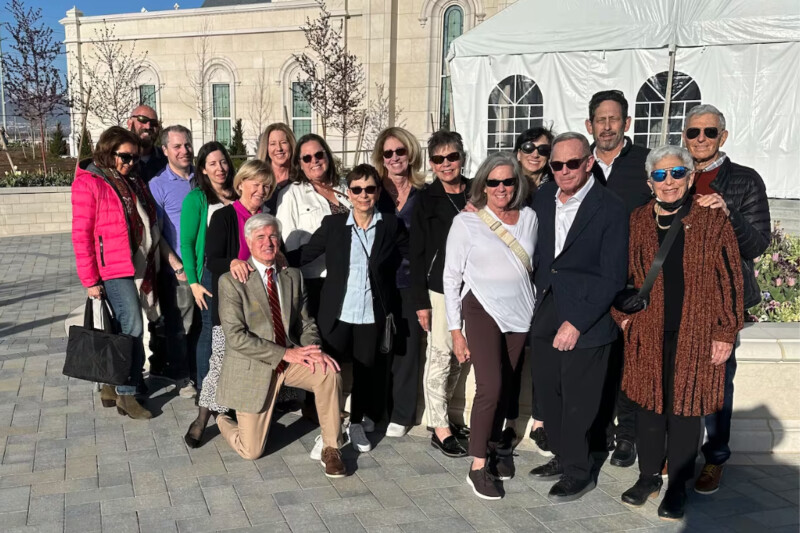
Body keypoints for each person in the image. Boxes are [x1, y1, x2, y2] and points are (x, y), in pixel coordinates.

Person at [613, 145, 744, 520]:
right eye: (659, 175)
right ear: (649, 180)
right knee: (650, 407)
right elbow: (622, 274)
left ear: (689, 177)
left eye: (676, 173)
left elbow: (730, 279)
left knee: (686, 411)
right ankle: (649, 476)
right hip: (648, 330)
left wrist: (725, 332)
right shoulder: (638, 219)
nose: (668, 182)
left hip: (696, 332)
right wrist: (621, 316)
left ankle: (678, 486)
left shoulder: (710, 218)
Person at [528, 132, 628, 502]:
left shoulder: (610, 207)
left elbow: (613, 275)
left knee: (578, 401)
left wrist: (579, 321)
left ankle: (579, 471)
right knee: (549, 394)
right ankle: (562, 456)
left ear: (589, 162)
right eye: (557, 164)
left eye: (573, 163)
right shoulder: (542, 198)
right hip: (547, 309)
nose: (565, 170)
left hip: (586, 316)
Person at [214, 214, 347, 477]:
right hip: (255, 365)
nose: (268, 242)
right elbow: (236, 337)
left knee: (328, 372)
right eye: (261, 237)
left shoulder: (292, 277)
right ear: (249, 241)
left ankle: (332, 447)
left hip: (291, 361)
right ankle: (222, 419)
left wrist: (314, 350)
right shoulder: (231, 282)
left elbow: (306, 324)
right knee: (251, 451)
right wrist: (286, 353)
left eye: (273, 236)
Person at [682, 104, 771, 495]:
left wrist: (728, 212)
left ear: (723, 136)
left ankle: (715, 458)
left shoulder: (744, 180)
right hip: (680, 295)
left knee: (718, 380)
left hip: (721, 299)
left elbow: (758, 244)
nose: (700, 139)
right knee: (677, 377)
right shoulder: (673, 174)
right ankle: (679, 451)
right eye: (693, 132)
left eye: (709, 132)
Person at [443, 152, 536, 500]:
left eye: (508, 181)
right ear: (483, 184)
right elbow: (451, 277)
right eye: (493, 181)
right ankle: (478, 465)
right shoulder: (467, 223)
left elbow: (534, 263)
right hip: (481, 309)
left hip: (521, 312)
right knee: (491, 387)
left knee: (509, 385)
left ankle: (496, 448)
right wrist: (456, 330)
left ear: (518, 183)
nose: (501, 188)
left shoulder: (529, 218)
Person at [299, 164, 408, 454]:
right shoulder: (334, 226)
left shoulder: (390, 225)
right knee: (329, 374)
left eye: (370, 189)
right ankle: (328, 431)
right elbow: (306, 255)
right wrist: (270, 260)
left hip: (370, 315)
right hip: (337, 314)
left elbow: (413, 256)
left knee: (365, 373)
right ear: (349, 193)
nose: (363, 195)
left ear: (377, 192)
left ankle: (357, 423)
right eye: (357, 189)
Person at [185, 160, 275, 448]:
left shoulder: (268, 218)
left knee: (257, 356)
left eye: (266, 185)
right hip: (232, 300)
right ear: (241, 184)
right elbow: (213, 258)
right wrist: (234, 261)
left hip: (261, 302)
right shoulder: (225, 216)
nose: (260, 190)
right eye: (255, 184)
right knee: (220, 358)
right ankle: (202, 419)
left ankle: (246, 409)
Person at [72, 126, 160, 420]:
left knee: (116, 327)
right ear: (108, 151)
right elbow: (81, 234)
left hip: (131, 261)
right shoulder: (91, 182)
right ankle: (127, 392)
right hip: (110, 267)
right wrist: (90, 280)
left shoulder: (127, 180)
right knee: (133, 325)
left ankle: (111, 386)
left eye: (135, 158)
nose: (131, 163)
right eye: (125, 156)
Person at [585, 90, 652, 468]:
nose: (607, 126)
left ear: (626, 123)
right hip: (593, 282)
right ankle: (599, 430)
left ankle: (627, 435)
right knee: (598, 359)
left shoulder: (644, 163)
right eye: (600, 120)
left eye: (614, 119)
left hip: (635, 281)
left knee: (631, 361)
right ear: (589, 125)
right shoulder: (579, 165)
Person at [410, 130, 471, 458]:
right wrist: (420, 302)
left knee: (465, 355)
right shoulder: (426, 199)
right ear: (431, 163)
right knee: (440, 356)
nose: (446, 164)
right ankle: (439, 426)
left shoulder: (477, 190)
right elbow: (416, 253)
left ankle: (442, 414)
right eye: (438, 159)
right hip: (439, 291)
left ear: (461, 157)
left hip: (474, 288)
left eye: (452, 157)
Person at [179, 142, 237, 444]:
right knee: (209, 335)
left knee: (235, 335)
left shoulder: (238, 193)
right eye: (212, 163)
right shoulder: (197, 199)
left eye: (223, 161)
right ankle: (206, 392)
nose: (220, 168)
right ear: (202, 168)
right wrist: (194, 281)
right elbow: (186, 243)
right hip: (210, 275)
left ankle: (229, 393)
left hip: (240, 273)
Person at [372, 127, 426, 438]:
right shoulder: (373, 192)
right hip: (378, 282)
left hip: (410, 281)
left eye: (400, 151)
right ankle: (379, 408)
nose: (394, 158)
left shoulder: (424, 194)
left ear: (410, 153)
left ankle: (403, 413)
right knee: (377, 347)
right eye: (388, 153)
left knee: (407, 348)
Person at [506, 126, 554, 455]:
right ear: (518, 151)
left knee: (543, 353)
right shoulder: (505, 185)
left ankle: (540, 421)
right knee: (509, 354)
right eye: (528, 146)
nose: (535, 153)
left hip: (546, 281)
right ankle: (508, 421)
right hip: (509, 281)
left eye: (543, 149)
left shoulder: (558, 188)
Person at [276, 134, 351, 318]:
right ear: (300, 163)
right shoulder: (291, 195)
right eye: (307, 158)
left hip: (351, 277)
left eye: (319, 155)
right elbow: (290, 244)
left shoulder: (345, 188)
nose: (314, 161)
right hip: (316, 280)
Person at [148, 125, 198, 396]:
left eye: (187, 145)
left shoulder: (201, 177)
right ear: (165, 150)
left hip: (206, 265)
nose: (184, 151)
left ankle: (202, 370)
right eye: (177, 146)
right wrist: (176, 265)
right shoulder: (158, 185)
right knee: (183, 325)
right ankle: (183, 376)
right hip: (180, 270)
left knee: (205, 323)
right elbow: (156, 231)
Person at [256, 123, 296, 214]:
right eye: (273, 144)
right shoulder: (258, 178)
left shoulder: (301, 177)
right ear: (266, 148)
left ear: (291, 145)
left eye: (283, 142)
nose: (279, 148)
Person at [514, 126, 554, 205]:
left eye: (543, 149)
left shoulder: (556, 187)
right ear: (519, 154)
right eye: (528, 148)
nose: (535, 155)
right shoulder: (508, 184)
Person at [127, 105, 166, 182]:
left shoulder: (167, 160)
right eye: (142, 120)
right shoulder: (120, 159)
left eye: (153, 123)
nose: (148, 127)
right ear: (129, 124)